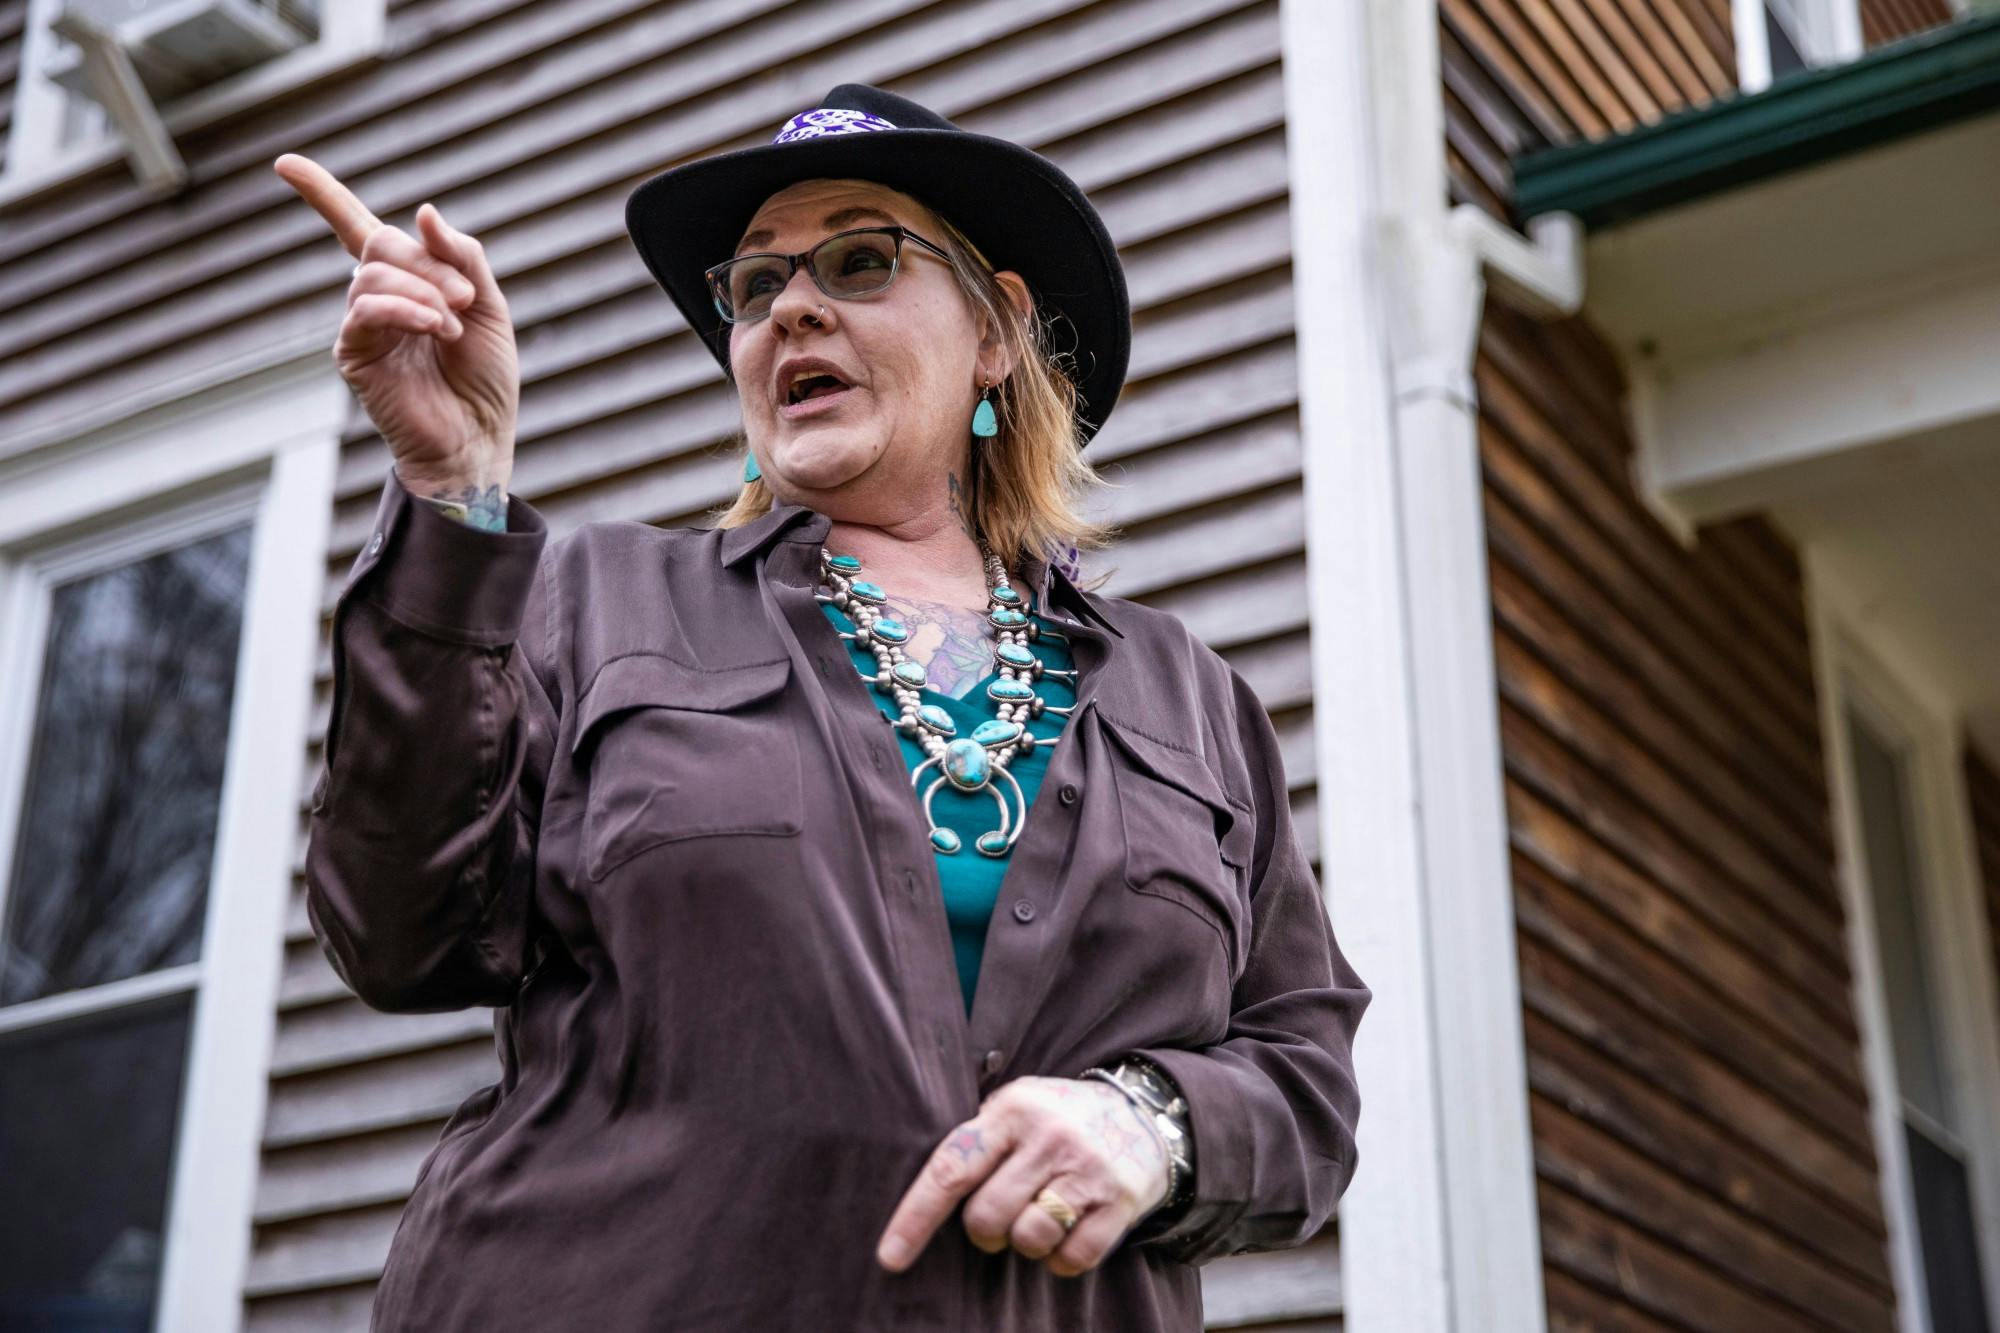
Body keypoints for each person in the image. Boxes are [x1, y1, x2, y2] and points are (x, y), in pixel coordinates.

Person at [283, 83, 1369, 1332]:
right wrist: (453, 490)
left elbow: (1303, 1075)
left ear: (996, 334)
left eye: (860, 260)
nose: (789, 308)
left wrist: (1152, 1124)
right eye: (755, 286)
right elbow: (399, 933)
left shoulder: (1190, 700)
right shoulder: (597, 603)